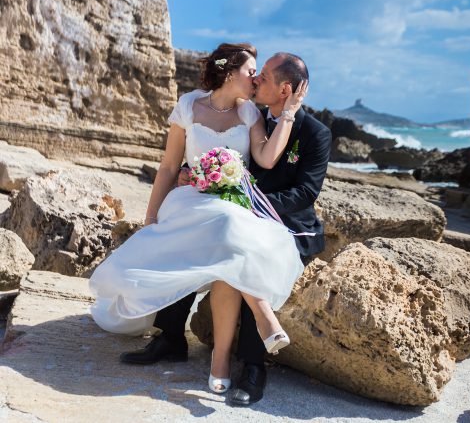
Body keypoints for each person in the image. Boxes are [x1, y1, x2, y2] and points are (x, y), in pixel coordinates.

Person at [96, 47, 332, 405]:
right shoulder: (250, 111)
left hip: (283, 221)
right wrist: (203, 182)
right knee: (209, 230)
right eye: (255, 72)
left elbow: (303, 192)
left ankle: (254, 366)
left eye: (263, 76)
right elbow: (176, 165)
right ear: (229, 73)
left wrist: (248, 203)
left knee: (241, 249)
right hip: (224, 207)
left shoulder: (313, 132)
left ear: (286, 90)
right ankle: (171, 336)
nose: (257, 80)